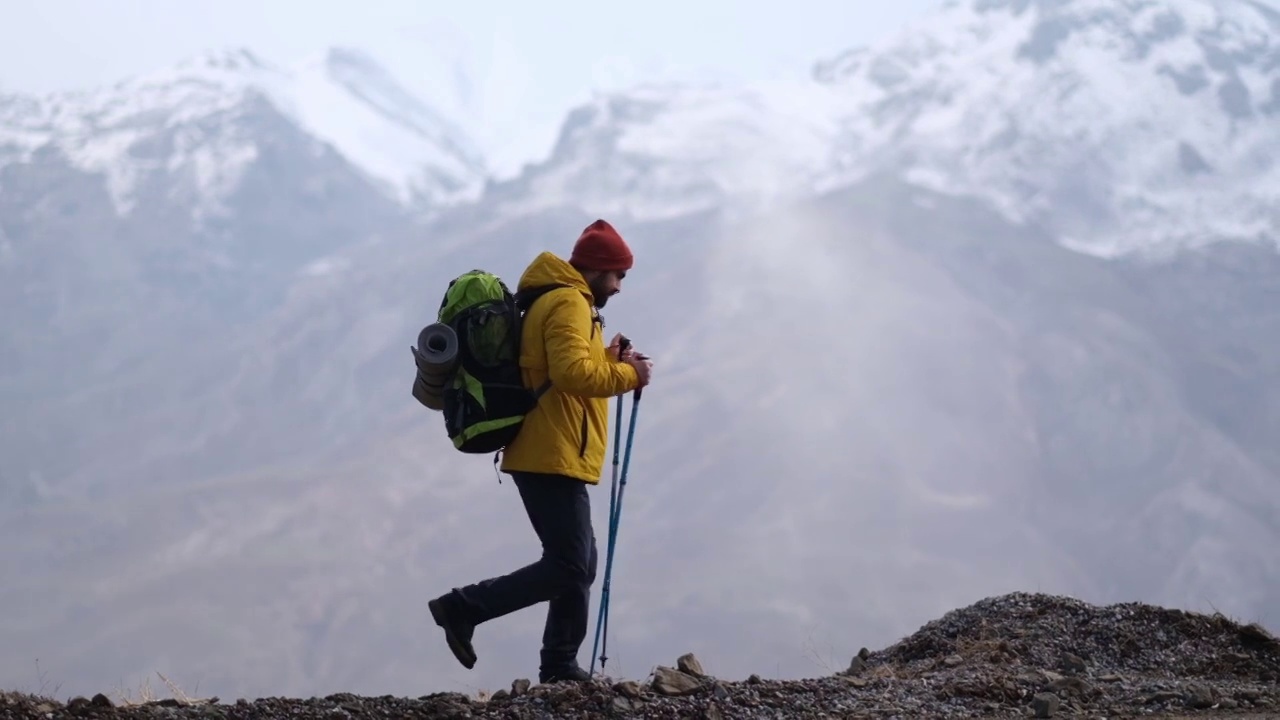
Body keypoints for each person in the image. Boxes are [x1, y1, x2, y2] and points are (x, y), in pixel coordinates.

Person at [427, 218, 654, 684]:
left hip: (553, 448)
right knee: (571, 564)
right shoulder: (569, 302)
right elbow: (573, 376)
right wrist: (631, 376)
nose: (620, 285)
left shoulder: (560, 298)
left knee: (579, 562)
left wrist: (611, 359)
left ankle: (559, 665)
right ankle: (463, 607)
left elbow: (565, 368)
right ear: (598, 268)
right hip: (550, 450)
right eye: (619, 275)